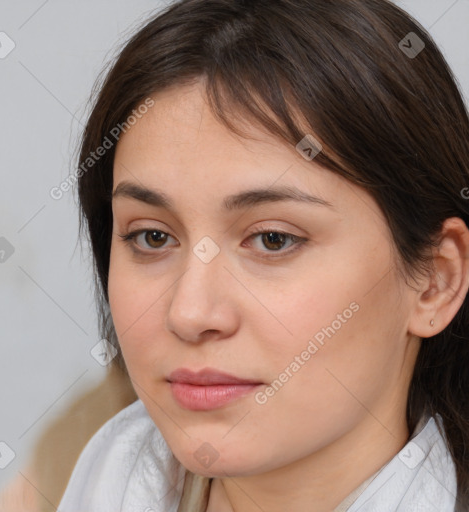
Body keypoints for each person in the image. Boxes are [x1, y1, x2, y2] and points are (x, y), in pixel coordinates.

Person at [57, 0, 469, 510]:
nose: (189, 314)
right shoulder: (102, 470)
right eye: (153, 237)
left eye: (273, 239)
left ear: (435, 280)